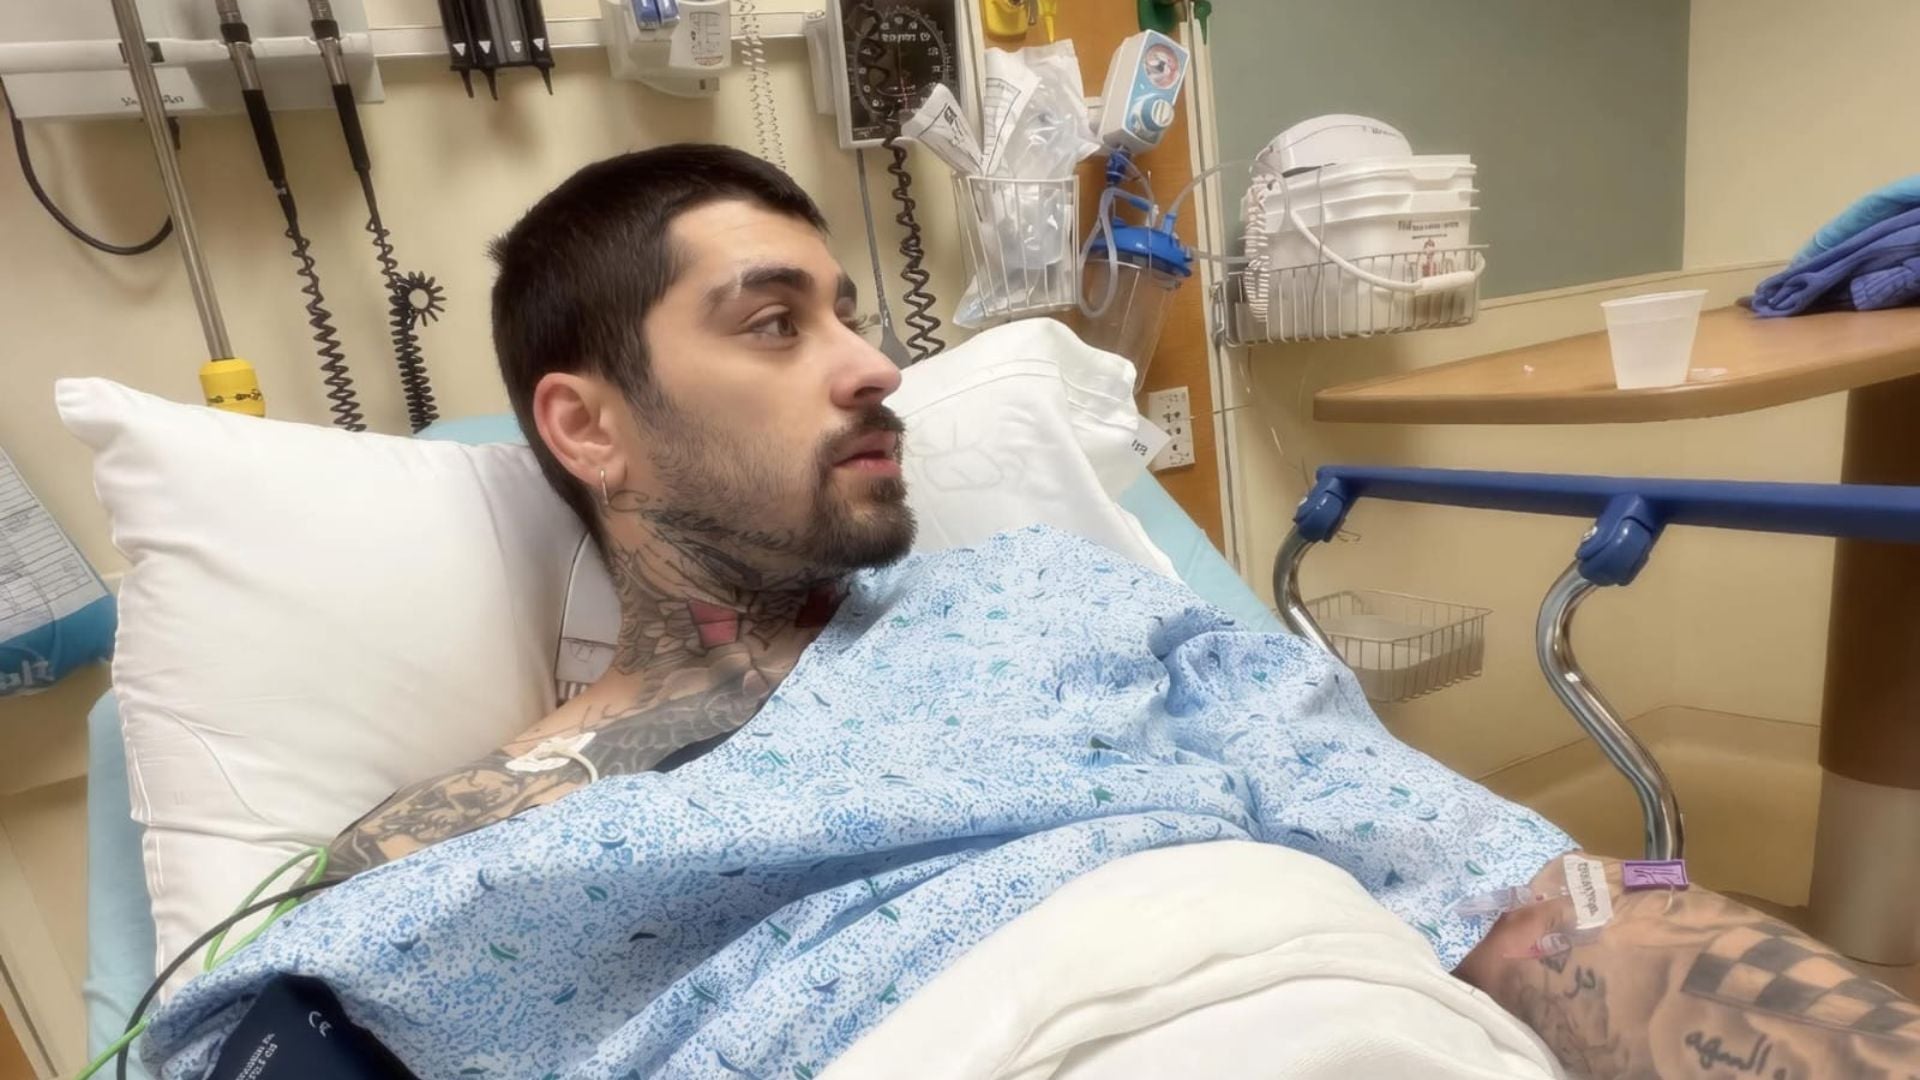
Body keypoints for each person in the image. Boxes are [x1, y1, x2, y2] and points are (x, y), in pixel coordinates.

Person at [323, 144, 1918, 1078]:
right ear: (587, 427)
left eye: (852, 314)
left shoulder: (1054, 601)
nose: (875, 365)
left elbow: (1520, 900)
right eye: (773, 324)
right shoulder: (452, 848)